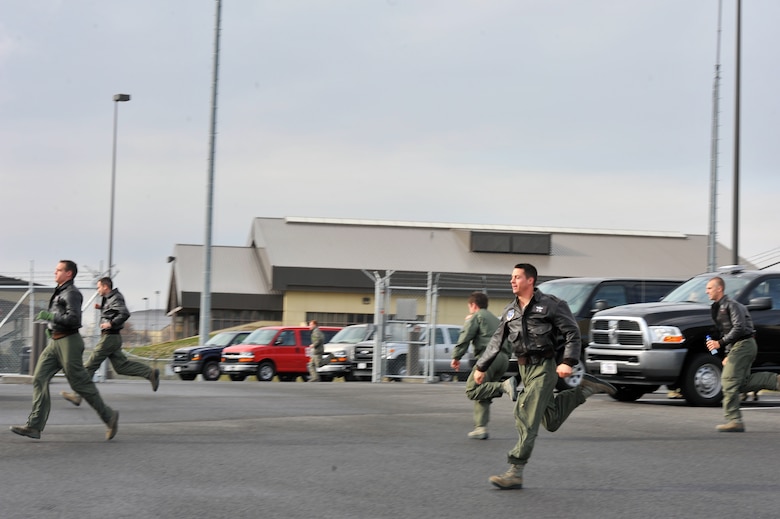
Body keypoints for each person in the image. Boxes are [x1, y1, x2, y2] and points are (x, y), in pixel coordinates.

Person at [473, 263, 616, 490]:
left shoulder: (552, 305)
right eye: (512, 277)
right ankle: (585, 389)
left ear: (530, 280)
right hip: (524, 371)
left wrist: (568, 361)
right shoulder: (510, 311)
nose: (512, 281)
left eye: (517, 277)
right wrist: (481, 367)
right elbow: (495, 341)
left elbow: (572, 333)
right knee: (551, 421)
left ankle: (515, 470)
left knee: (525, 413)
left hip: (544, 368)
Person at [10, 260, 119, 441]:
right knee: (39, 378)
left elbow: (74, 319)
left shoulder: (72, 293)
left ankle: (109, 416)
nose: (55, 273)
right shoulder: (61, 290)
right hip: (55, 342)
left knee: (80, 384)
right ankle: (34, 426)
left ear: (69, 273)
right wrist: (52, 327)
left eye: (59, 270)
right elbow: (62, 317)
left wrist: (50, 317)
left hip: (69, 342)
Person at [60, 277, 159, 406]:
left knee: (90, 365)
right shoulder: (110, 298)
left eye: (99, 287)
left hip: (110, 337)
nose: (98, 290)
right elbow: (113, 310)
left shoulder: (115, 297)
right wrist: (101, 308)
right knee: (121, 366)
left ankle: (77, 395)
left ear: (105, 287)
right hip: (112, 338)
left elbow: (124, 313)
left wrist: (111, 324)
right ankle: (150, 373)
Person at [705, 276, 780, 432]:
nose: (707, 291)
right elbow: (725, 330)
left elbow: (739, 328)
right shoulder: (716, 308)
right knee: (741, 383)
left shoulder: (732, 305)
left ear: (720, 289)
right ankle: (776, 381)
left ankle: (734, 420)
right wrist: (727, 353)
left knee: (728, 380)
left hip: (745, 344)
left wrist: (720, 343)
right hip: (737, 347)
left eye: (710, 288)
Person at [451, 291, 513, 440]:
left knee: (472, 389)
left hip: (488, 358)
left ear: (473, 305)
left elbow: (466, 336)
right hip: (503, 359)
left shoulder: (477, 316)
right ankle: (481, 428)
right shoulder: (496, 319)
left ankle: (503, 386)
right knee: (483, 392)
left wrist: (456, 357)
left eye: (469, 307)